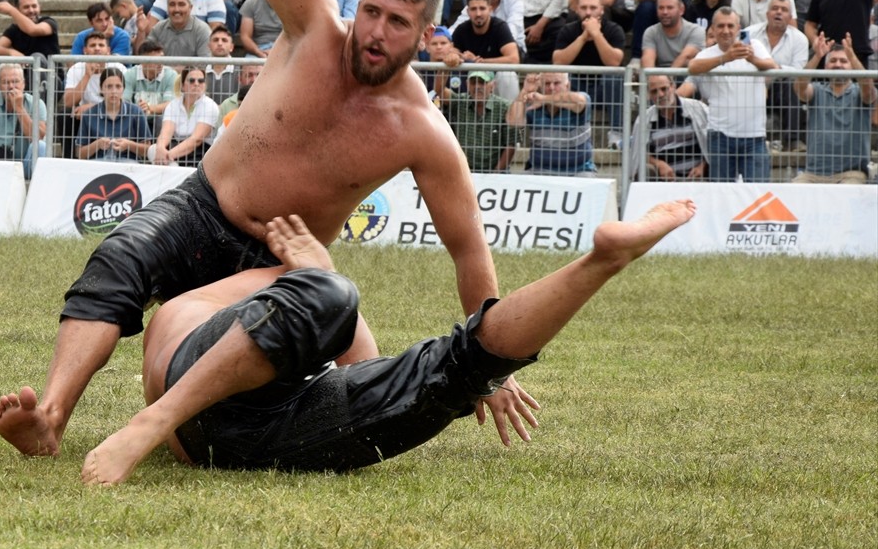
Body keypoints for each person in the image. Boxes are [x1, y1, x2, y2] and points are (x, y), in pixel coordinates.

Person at [0, 0, 530, 461]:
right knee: (119, 257)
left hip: (281, 255)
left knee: (320, 325)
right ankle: (53, 415)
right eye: (370, 12)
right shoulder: (313, 26)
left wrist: (487, 362)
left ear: (425, 35)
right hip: (206, 204)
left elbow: (469, 250)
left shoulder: (422, 132)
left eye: (396, 25)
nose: (373, 33)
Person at [80, 202, 698, 485]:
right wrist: (315, 269)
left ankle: (600, 262)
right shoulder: (203, 299)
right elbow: (332, 311)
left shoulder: (256, 298)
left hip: (255, 440)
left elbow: (358, 366)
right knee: (335, 294)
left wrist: (460, 379)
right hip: (196, 415)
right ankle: (145, 425)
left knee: (454, 370)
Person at [687, 7, 777, 181]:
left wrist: (752, 59)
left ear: (739, 28)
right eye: (720, 26)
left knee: (758, 194)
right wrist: (725, 58)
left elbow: (772, 66)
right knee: (722, 195)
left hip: (754, 136)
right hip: (720, 136)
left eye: (730, 26)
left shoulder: (754, 46)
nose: (726, 31)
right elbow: (693, 67)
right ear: (712, 28)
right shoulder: (707, 54)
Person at [794, 33, 876, 183]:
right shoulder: (817, 91)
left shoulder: (860, 92)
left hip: (852, 173)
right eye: (833, 61)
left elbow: (868, 89)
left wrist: (852, 55)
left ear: (851, 66)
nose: (838, 64)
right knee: (793, 195)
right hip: (813, 173)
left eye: (844, 61)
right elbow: (799, 87)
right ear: (825, 67)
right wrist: (817, 56)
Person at [552, 0, 628, 146]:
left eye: (593, 8)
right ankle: (570, 131)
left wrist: (596, 34)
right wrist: (582, 38)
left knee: (614, 76)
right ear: (577, 10)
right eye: (584, 7)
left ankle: (616, 133)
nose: (588, 12)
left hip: (605, 92)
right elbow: (558, 62)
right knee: (563, 77)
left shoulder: (614, 29)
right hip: (577, 88)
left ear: (601, 9)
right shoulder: (568, 30)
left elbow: (614, 62)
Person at [745, 0, 808, 149]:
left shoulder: (800, 39)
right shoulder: (748, 33)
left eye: (784, 10)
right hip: (751, 85)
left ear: (790, 16)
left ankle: (793, 140)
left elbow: (798, 72)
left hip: (780, 89)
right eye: (774, 9)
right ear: (767, 14)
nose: (778, 12)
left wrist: (775, 69)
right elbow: (739, 62)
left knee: (792, 83)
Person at [507, 70, 596, 175]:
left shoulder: (578, 98)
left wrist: (543, 99)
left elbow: (579, 102)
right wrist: (524, 91)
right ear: (541, 86)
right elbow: (513, 122)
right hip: (538, 170)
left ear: (567, 86)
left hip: (579, 171)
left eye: (557, 83)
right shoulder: (534, 105)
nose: (552, 88)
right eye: (547, 83)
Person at [627, 73, 709, 180]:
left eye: (664, 89)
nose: (660, 95)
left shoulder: (698, 109)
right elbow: (639, 153)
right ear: (648, 94)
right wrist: (658, 163)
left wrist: (704, 166)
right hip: (663, 180)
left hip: (698, 178)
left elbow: (716, 145)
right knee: (645, 170)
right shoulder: (644, 119)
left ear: (673, 86)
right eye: (654, 91)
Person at [0, 62, 48, 178]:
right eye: (6, 82)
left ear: (23, 84)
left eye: (16, 81)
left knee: (41, 146)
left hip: (25, 166)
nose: (11, 86)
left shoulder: (36, 103)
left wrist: (19, 108)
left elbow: (38, 137)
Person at [442, 69, 514, 172]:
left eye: (482, 82)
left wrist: (496, 174)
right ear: (467, 84)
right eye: (473, 82)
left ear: (492, 85)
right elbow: (439, 91)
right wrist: (444, 68)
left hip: (495, 170)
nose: (477, 87)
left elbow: (511, 144)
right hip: (462, 170)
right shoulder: (460, 102)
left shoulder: (504, 107)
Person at [75, 67, 153, 161]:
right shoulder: (89, 114)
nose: (114, 91)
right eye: (109, 86)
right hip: (98, 162)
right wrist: (97, 144)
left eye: (118, 86)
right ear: (101, 89)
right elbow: (79, 154)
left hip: (127, 163)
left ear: (123, 88)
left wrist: (129, 145)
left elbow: (148, 150)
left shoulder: (136, 112)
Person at [151, 65, 218, 165]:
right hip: (176, 146)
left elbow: (197, 139)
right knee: (153, 149)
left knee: (167, 161)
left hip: (200, 151)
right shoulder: (173, 104)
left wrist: (169, 155)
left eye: (201, 81)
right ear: (182, 85)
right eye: (191, 80)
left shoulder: (210, 106)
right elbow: (165, 133)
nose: (196, 84)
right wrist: (160, 148)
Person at [640, 0, 702, 68]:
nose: (665, 12)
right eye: (661, 8)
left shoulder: (695, 30)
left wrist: (668, 77)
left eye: (670, 8)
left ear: (681, 10)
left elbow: (686, 56)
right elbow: (648, 58)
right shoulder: (651, 32)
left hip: (687, 74)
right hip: (659, 74)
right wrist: (651, 77)